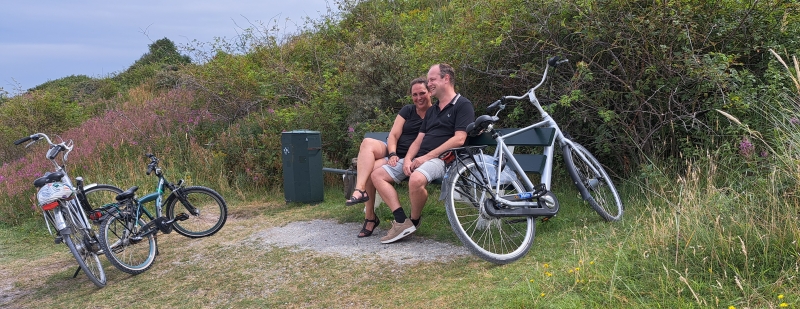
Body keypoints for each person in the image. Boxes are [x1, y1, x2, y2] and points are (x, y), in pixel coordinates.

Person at [371, 63, 475, 244]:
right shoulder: (432, 111)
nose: (429, 84)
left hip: (444, 159)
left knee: (416, 179)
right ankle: (402, 221)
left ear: (446, 79)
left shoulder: (462, 105)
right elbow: (418, 141)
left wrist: (426, 157)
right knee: (377, 174)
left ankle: (414, 220)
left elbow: (459, 139)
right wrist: (408, 159)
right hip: (420, 158)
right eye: (429, 80)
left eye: (432, 79)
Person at [345, 77, 433, 238]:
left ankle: (370, 217)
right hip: (393, 153)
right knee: (367, 142)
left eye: (422, 93)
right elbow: (393, 135)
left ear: (430, 92)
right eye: (415, 94)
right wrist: (392, 153)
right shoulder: (407, 110)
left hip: (409, 158)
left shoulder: (435, 113)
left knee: (370, 169)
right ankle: (360, 190)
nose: (418, 98)